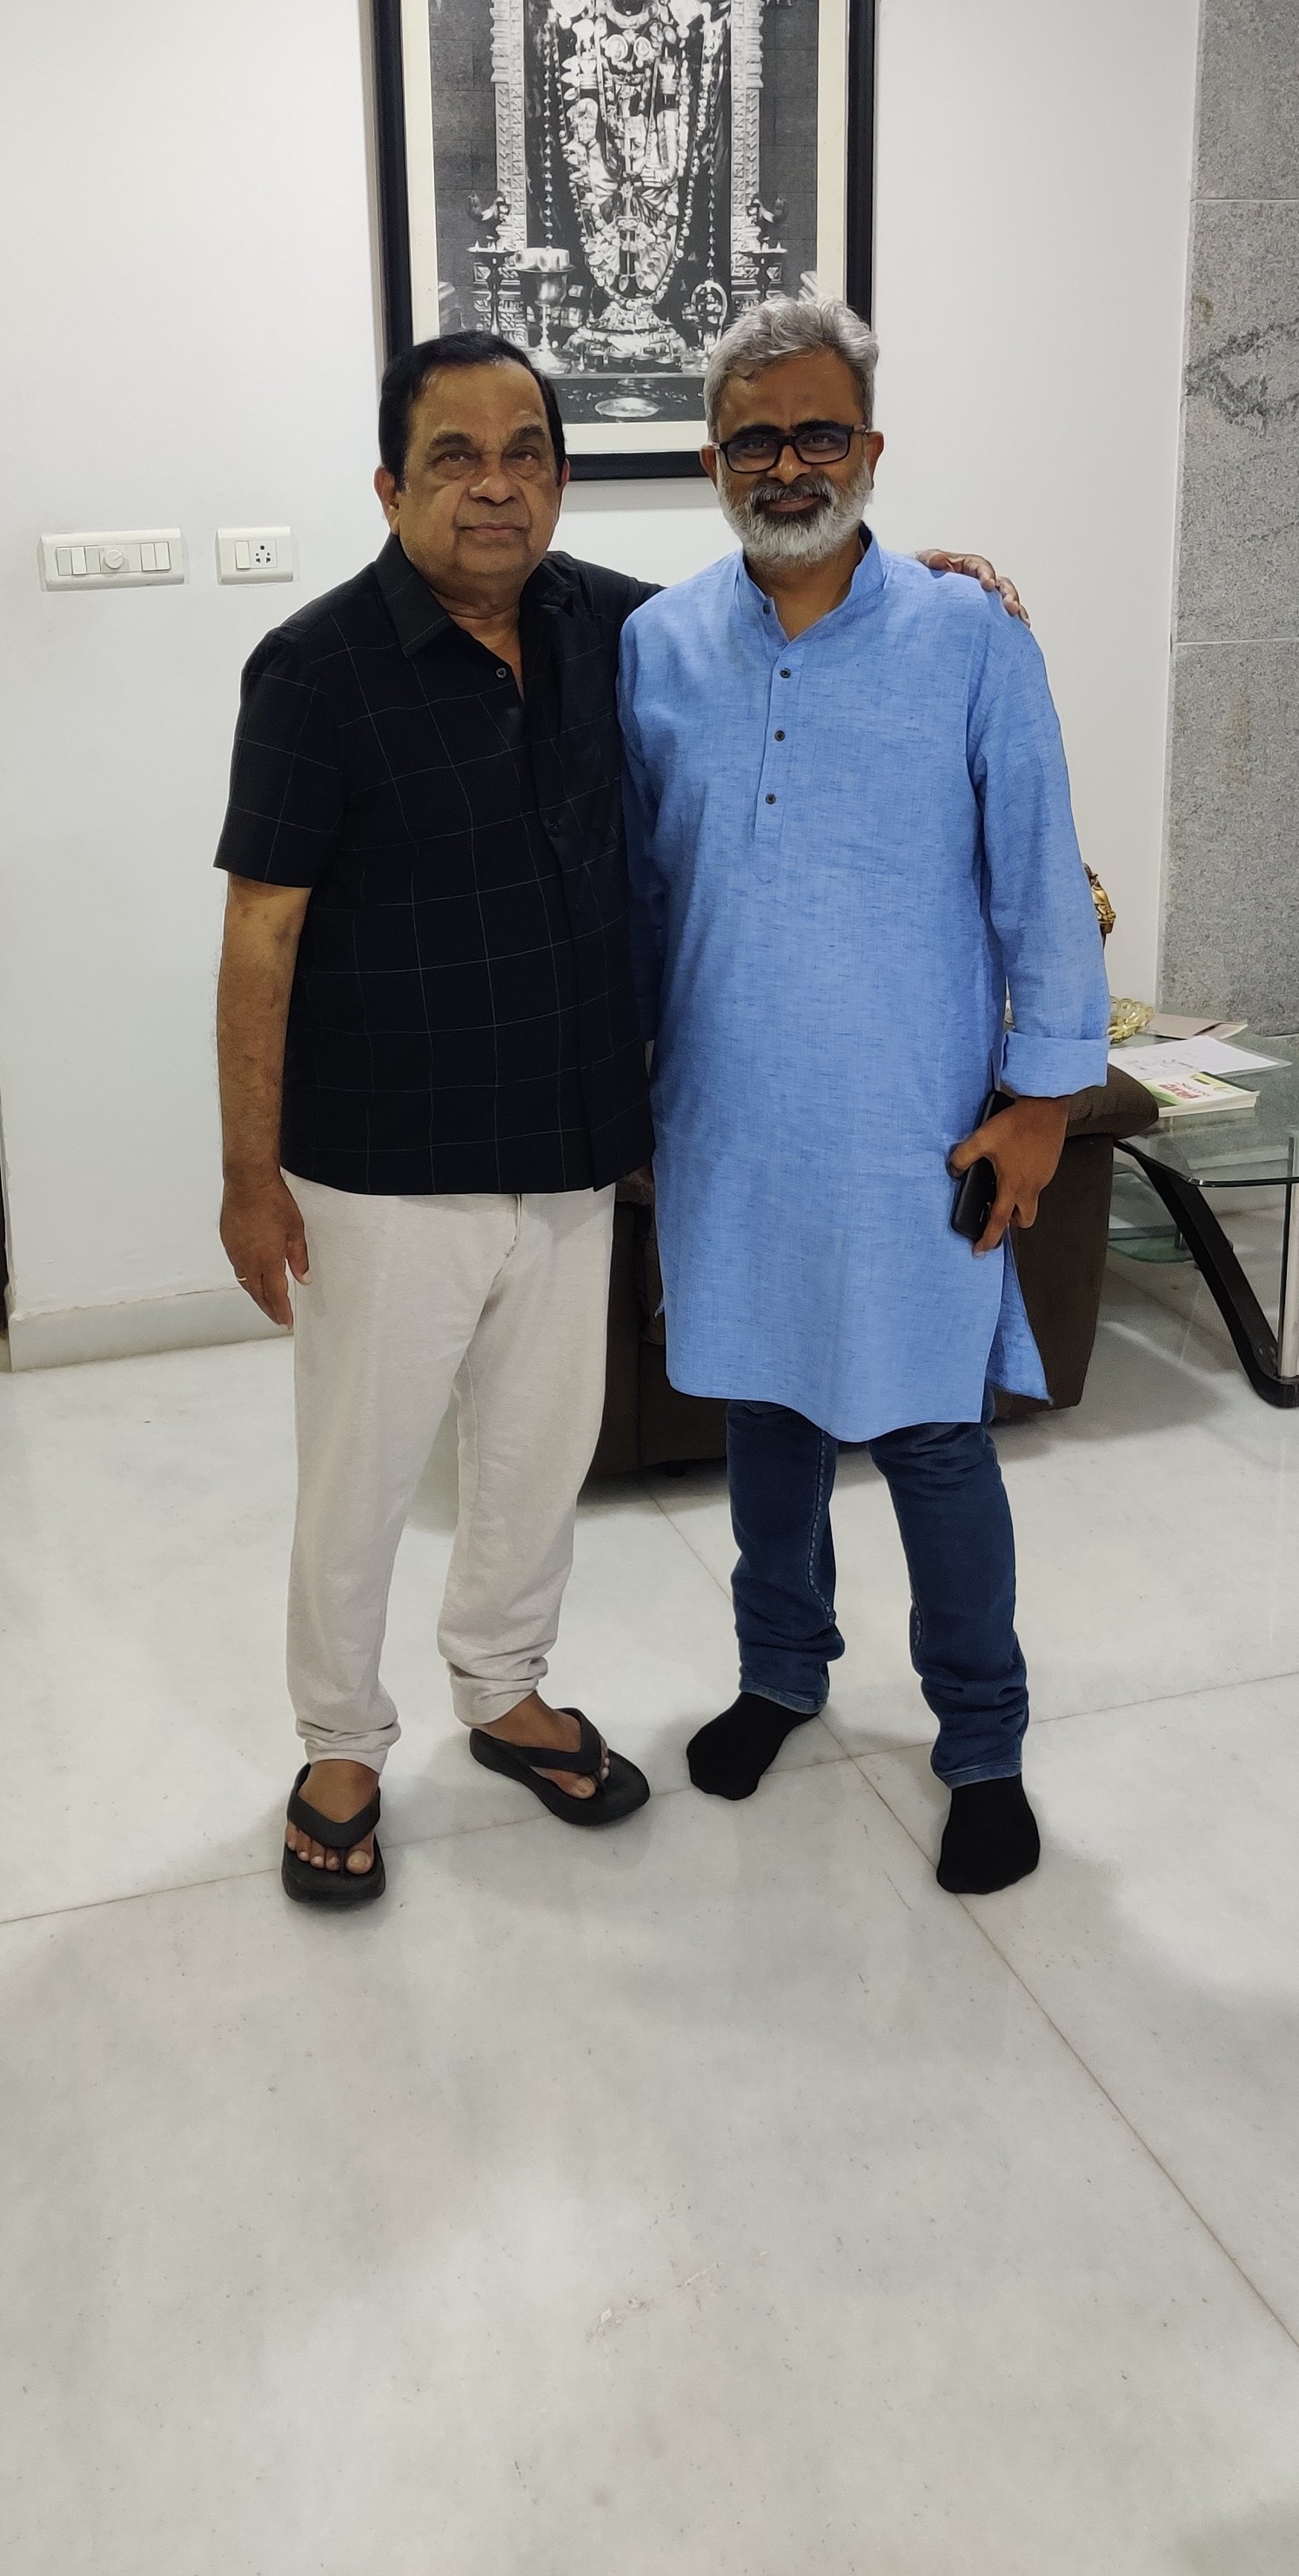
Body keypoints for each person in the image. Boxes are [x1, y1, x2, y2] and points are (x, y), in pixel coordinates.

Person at [214, 329, 1027, 1910]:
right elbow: (262, 932)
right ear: (388, 484)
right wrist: (251, 1175)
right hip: (383, 1166)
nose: (494, 486)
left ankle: (503, 1688)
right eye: (455, 457)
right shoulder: (313, 668)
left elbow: (787, 607)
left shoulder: (615, 629)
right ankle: (341, 1745)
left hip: (577, 1148)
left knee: (535, 1463)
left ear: (563, 479)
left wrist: (920, 580)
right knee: (361, 1477)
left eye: (525, 453)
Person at [617, 296, 1109, 1895]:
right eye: (754, 438)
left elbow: (1041, 877)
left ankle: (984, 1742)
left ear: (872, 447)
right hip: (729, 1130)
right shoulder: (655, 647)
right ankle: (780, 1672)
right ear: (711, 461)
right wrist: (625, 1101)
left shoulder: (971, 638)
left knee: (933, 1440)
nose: (788, 465)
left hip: (915, 1134)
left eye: (819, 432)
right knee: (763, 1419)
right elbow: (640, 896)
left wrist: (1042, 1102)